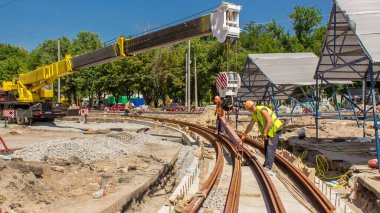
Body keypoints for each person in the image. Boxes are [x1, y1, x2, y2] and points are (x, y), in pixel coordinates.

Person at [241, 101, 283, 171]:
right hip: (269, 130)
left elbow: (269, 121)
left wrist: (265, 132)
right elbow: (250, 125)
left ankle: (268, 166)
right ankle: (266, 163)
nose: (252, 109)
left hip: (275, 128)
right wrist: (244, 134)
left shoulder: (261, 110)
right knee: (266, 146)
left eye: (252, 108)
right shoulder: (255, 114)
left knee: (270, 146)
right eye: (251, 108)